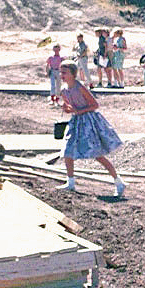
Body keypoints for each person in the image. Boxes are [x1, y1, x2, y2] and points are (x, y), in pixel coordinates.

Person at [56, 62, 125, 195]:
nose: (61, 75)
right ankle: (70, 183)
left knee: (97, 154)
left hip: (89, 122)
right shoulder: (64, 90)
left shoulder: (79, 87)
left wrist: (79, 111)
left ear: (73, 74)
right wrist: (67, 109)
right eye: (61, 72)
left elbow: (94, 104)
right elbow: (70, 107)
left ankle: (118, 182)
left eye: (64, 72)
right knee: (67, 151)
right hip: (75, 122)